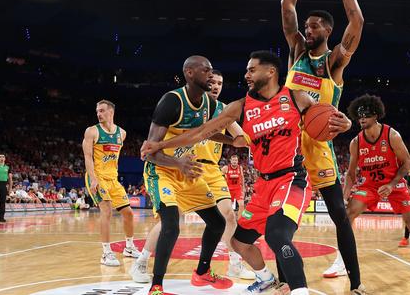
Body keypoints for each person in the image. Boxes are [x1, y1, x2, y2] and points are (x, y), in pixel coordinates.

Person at [141, 51, 354, 295]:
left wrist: (344, 123)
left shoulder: (296, 97)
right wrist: (161, 145)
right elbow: (202, 132)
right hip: (263, 185)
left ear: (270, 72)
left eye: (252, 70)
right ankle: (266, 279)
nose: (246, 75)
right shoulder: (239, 107)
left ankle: (299, 290)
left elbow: (328, 118)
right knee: (238, 241)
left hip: (291, 178)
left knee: (276, 235)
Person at [281, 0, 364, 288]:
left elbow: (357, 22)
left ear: (328, 30)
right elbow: (287, 6)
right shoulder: (297, 51)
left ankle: (356, 281)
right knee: (282, 222)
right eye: (307, 25)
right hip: (287, 146)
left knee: (340, 217)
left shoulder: (334, 62)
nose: (306, 28)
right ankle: (286, 279)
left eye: (313, 25)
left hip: (320, 147)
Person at [129, 68, 254, 284]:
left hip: (207, 170)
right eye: (212, 81)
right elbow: (192, 135)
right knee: (169, 221)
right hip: (179, 166)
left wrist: (240, 139)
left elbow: (237, 135)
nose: (215, 86)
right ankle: (142, 261)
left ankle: (232, 262)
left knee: (226, 216)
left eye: (219, 83)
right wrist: (160, 147)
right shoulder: (181, 104)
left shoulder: (221, 109)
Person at [342, 94, 410, 268]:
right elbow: (351, 174)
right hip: (370, 185)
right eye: (359, 116)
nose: (362, 119)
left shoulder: (392, 135)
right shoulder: (356, 142)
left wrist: (391, 184)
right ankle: (342, 260)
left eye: (365, 115)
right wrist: (345, 196)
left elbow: (406, 163)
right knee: (347, 216)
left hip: (394, 183)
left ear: (375, 115)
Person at [82, 100, 141, 267]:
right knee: (106, 209)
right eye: (97, 111)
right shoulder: (92, 131)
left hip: (113, 179)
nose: (99, 114)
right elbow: (87, 157)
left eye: (102, 111)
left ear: (111, 112)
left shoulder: (122, 133)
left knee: (128, 213)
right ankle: (106, 253)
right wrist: (93, 178)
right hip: (97, 177)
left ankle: (129, 248)